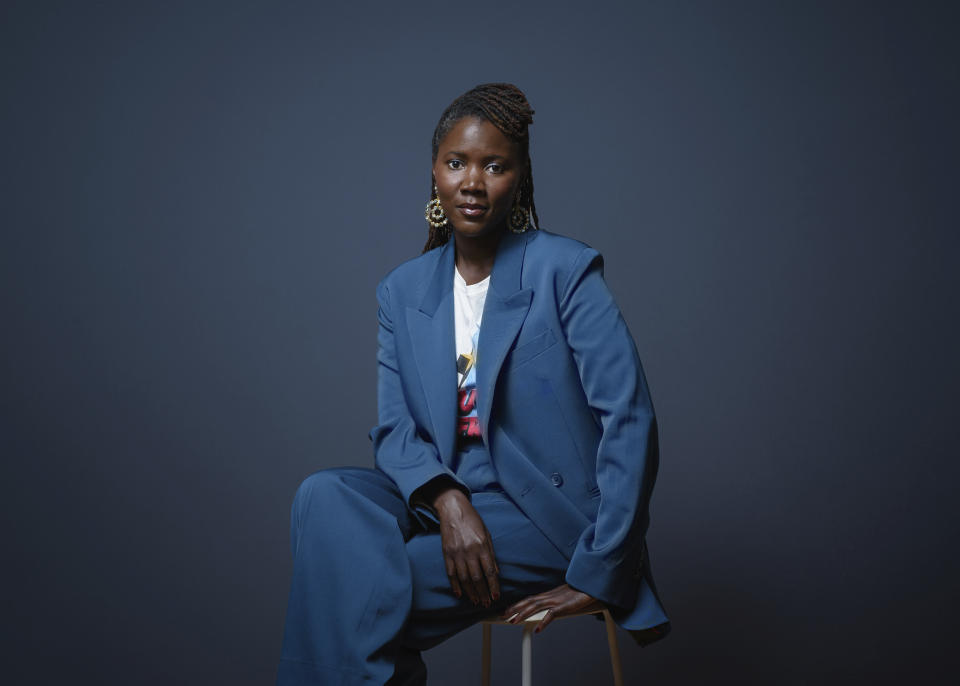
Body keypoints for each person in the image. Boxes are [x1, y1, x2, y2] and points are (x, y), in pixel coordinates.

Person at [276, 83, 670, 686]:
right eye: (457, 162)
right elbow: (396, 430)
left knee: (361, 587)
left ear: (519, 178)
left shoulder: (563, 270)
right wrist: (448, 500)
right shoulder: (402, 291)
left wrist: (601, 566)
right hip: (447, 500)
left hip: (543, 512)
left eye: (494, 165)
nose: (473, 182)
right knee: (322, 497)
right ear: (434, 173)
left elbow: (629, 421)